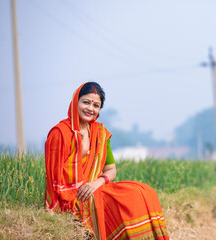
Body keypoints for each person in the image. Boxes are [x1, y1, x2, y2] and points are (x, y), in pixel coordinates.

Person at [45, 82, 169, 240]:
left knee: (143, 192)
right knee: (124, 200)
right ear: (75, 101)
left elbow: (111, 170)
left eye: (96, 105)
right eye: (86, 102)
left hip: (95, 188)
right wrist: (81, 151)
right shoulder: (60, 133)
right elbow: (55, 179)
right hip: (69, 198)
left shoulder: (100, 133)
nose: (90, 108)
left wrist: (96, 183)